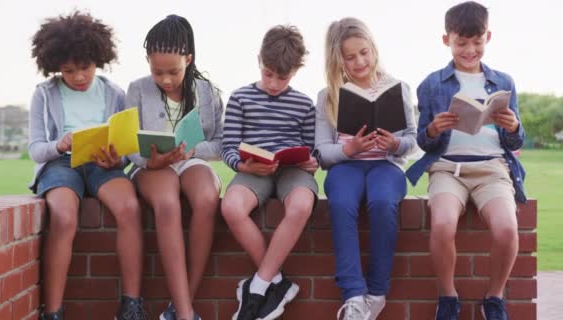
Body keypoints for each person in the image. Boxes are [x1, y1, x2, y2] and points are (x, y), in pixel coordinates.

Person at [405, 2, 526, 319]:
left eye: (477, 42)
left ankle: (494, 298)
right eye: (461, 42)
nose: (470, 50)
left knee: (507, 230)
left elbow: (516, 140)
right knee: (443, 224)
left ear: (488, 37)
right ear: (447, 40)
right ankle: (448, 297)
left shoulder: (504, 82)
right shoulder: (432, 84)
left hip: (492, 169)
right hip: (448, 168)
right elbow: (423, 139)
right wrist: (432, 128)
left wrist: (513, 126)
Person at [28, 11, 145, 320]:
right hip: (60, 165)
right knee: (64, 217)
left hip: (101, 164)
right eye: (68, 71)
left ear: (98, 59)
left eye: (85, 68)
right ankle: (52, 312)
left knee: (130, 208)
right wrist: (59, 144)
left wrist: (115, 159)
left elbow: (127, 146)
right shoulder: (44, 94)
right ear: (55, 67)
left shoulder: (114, 93)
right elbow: (36, 149)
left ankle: (131, 306)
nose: (78, 77)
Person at [315, 17, 418, 320]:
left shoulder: (398, 88)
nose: (359, 61)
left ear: (373, 50)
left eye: (364, 52)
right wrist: (349, 149)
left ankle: (376, 292)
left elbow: (412, 139)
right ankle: (354, 296)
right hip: (347, 166)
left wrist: (395, 145)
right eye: (350, 57)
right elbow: (321, 152)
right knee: (343, 202)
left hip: (386, 165)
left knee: (383, 201)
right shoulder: (327, 96)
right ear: (338, 60)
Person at [125, 14, 223, 320]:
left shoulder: (208, 92)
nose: (165, 80)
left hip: (190, 160)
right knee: (167, 203)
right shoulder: (137, 89)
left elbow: (221, 143)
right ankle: (184, 314)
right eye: (157, 72)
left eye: (174, 72)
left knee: (207, 197)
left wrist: (194, 150)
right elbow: (128, 144)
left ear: (189, 59)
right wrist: (148, 160)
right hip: (152, 167)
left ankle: (181, 304)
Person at [220, 25, 318, 320]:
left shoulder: (304, 104)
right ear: (258, 61)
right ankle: (277, 282)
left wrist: (311, 161)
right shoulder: (240, 98)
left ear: (296, 71)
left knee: (301, 205)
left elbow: (311, 149)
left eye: (283, 77)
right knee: (231, 207)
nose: (274, 83)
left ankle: (259, 286)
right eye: (268, 73)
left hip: (292, 172)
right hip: (253, 170)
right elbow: (228, 147)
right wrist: (242, 165)